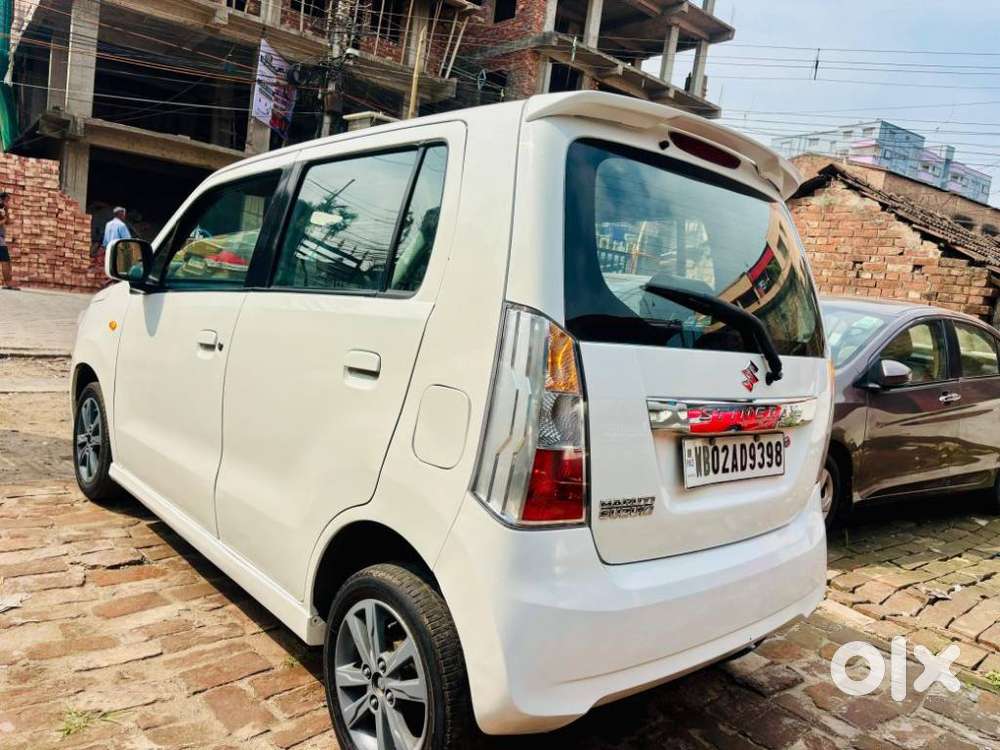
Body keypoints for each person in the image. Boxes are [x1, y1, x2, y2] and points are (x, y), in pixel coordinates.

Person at [0, 191, 16, 290]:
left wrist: (6, 211)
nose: (8, 203)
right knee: (5, 260)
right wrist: (4, 219)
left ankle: (8, 284)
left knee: (6, 261)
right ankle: (8, 284)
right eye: (7, 200)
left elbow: (8, 222)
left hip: (1, 238)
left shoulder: (2, 210)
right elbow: (4, 221)